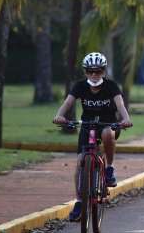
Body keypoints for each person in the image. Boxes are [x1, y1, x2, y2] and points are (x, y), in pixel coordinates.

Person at [53, 52, 133, 222]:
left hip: (109, 124)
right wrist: (59, 115)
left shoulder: (111, 86)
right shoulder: (80, 86)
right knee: (81, 161)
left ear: (103, 71)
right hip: (87, 124)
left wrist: (125, 119)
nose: (94, 75)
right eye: (90, 71)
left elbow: (120, 105)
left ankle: (109, 168)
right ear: (86, 72)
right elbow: (68, 103)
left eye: (98, 71)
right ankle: (80, 201)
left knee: (106, 134)